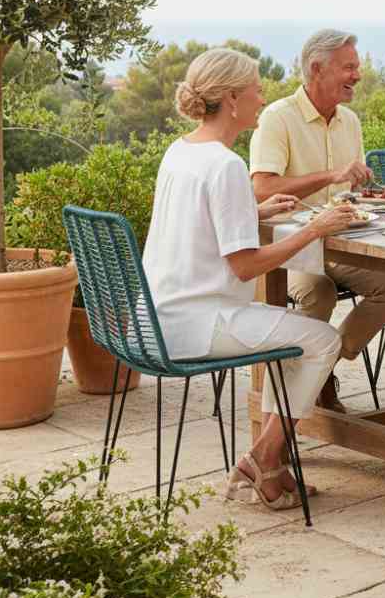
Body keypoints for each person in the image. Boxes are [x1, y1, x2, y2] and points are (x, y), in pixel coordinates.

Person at [143, 48, 356, 510]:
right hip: (198, 322)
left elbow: (196, 221)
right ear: (232, 99)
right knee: (323, 340)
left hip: (160, 316)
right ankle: (263, 459)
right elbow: (246, 266)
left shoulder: (182, 151)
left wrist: (252, 211)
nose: (263, 98)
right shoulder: (225, 166)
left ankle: (267, 463)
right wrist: (314, 229)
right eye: (257, 90)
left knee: (295, 339)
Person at [249, 29, 385, 413]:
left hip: (339, 242)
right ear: (317, 69)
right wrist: (330, 175)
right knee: (319, 292)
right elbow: (261, 188)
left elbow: (349, 191)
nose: (358, 75)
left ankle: (320, 368)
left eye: (357, 66)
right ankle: (294, 394)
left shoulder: (349, 120)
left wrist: (367, 193)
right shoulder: (278, 117)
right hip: (287, 248)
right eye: (348, 67)